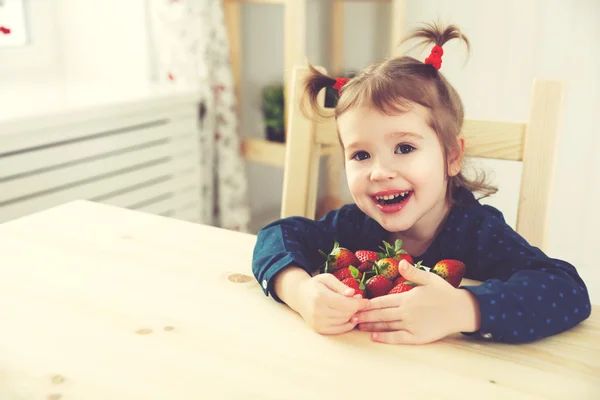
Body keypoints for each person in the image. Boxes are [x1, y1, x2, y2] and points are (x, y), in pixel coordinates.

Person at [251, 21, 592, 345]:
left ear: (451, 156)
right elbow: (274, 236)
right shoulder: (356, 224)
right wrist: (299, 291)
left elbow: (566, 291)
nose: (379, 172)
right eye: (360, 155)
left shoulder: (476, 231)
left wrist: (463, 309)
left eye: (404, 148)